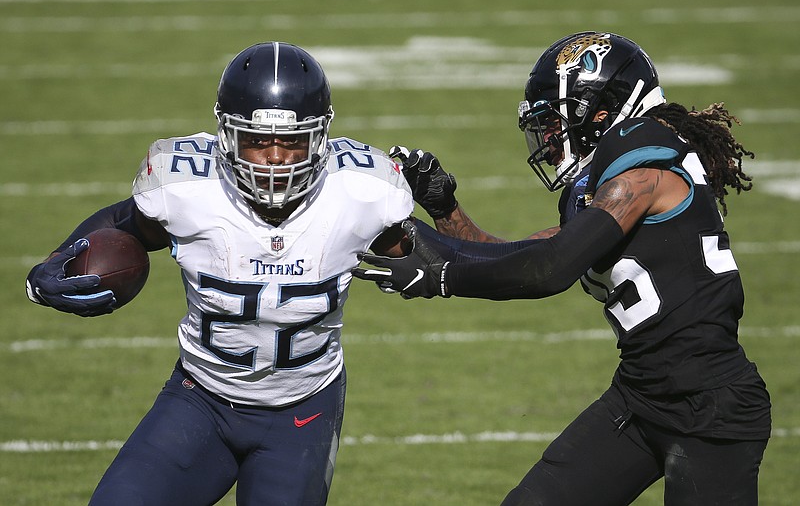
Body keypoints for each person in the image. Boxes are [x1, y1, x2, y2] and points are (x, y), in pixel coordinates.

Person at [354, 31, 771, 505]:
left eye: (554, 121)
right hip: (642, 396)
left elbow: (547, 271)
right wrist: (443, 209)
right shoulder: (608, 182)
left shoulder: (645, 171)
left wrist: (442, 276)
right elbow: (514, 256)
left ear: (600, 109)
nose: (548, 137)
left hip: (711, 409)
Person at [25, 42, 413, 506]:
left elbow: (448, 261)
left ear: (320, 138)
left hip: (302, 413)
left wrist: (447, 211)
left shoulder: (362, 192)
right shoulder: (186, 187)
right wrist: (54, 261)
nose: (273, 157)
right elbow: (122, 223)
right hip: (200, 398)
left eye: (291, 141)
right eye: (256, 139)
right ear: (226, 135)